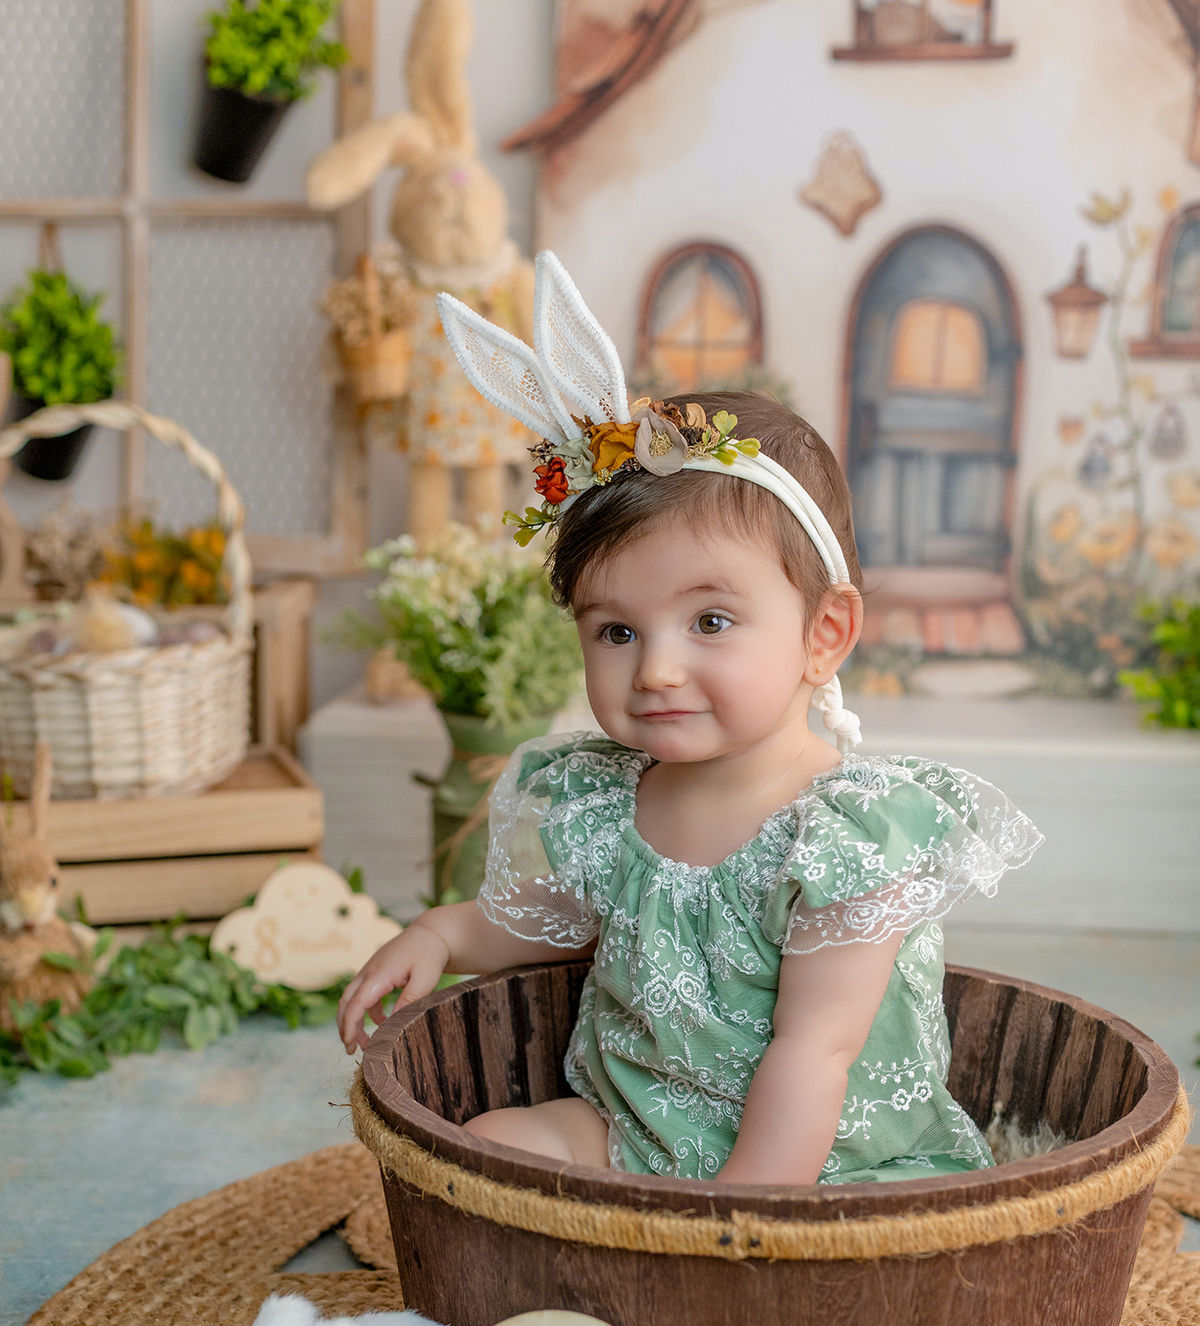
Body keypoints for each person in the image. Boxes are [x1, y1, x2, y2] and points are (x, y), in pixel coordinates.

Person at [338, 253, 1041, 1186]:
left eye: (711, 621)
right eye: (617, 629)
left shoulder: (849, 838)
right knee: (497, 1147)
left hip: (816, 1168)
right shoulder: (606, 797)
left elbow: (815, 1054)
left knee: (838, 1273)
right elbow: (555, 920)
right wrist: (439, 935)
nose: (657, 667)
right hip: (630, 1127)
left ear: (823, 634)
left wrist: (735, 1216)